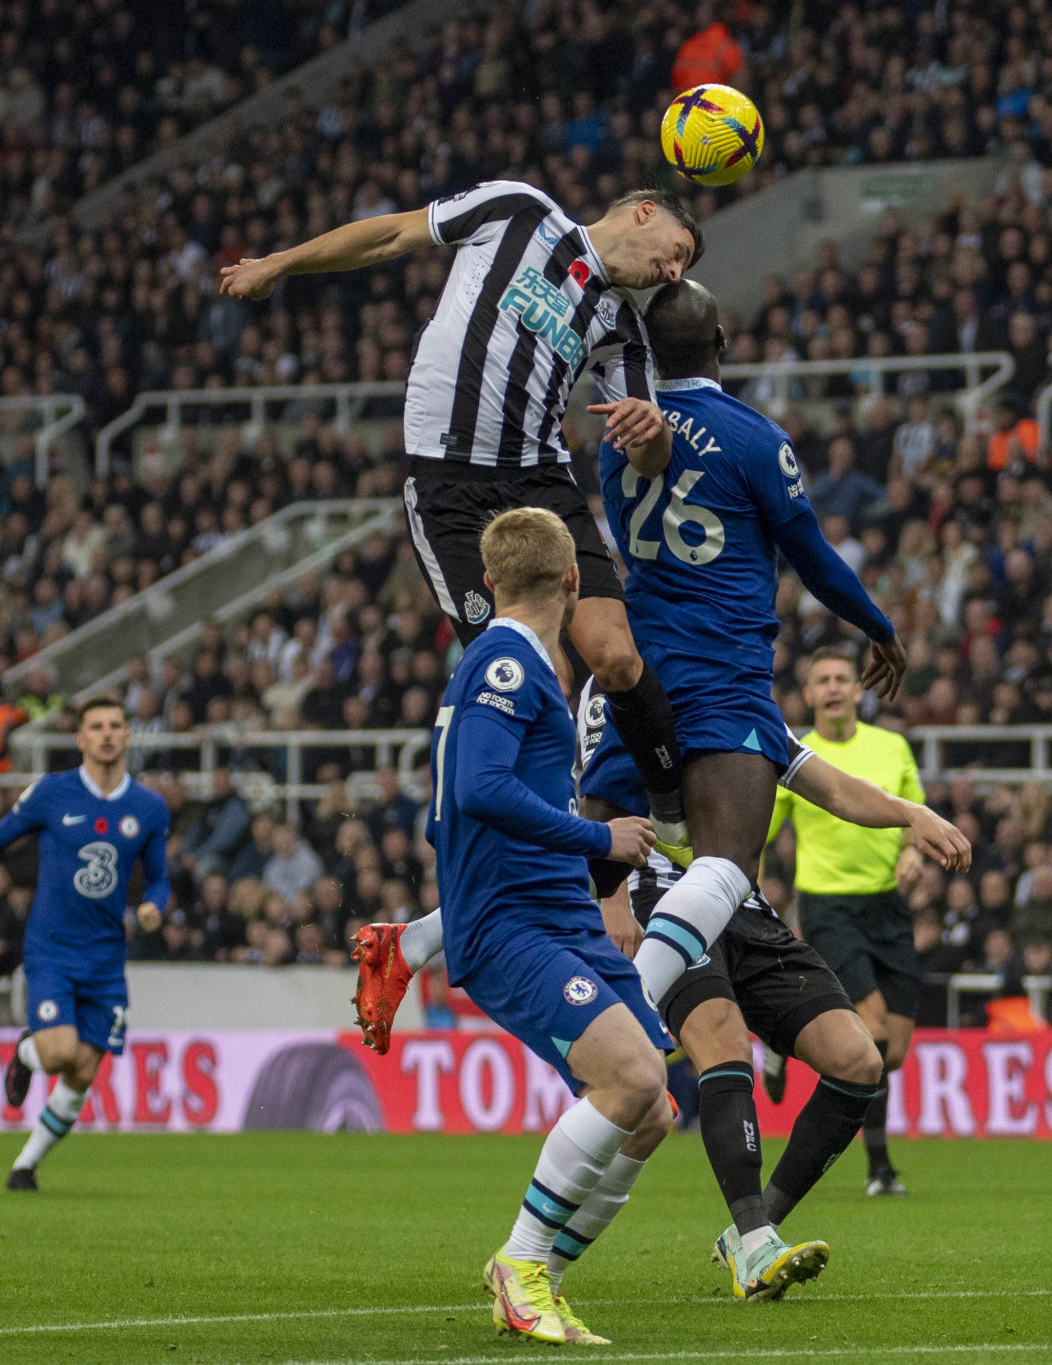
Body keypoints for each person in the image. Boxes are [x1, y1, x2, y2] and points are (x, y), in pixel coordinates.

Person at [349, 279, 908, 1052]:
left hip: (634, 672)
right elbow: (813, 556)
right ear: (723, 344)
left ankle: (415, 941)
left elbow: (658, 459)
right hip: (720, 668)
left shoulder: (620, 435)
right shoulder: (751, 437)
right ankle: (639, 1006)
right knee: (724, 864)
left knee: (580, 842)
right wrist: (877, 625)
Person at [220, 179, 698, 849]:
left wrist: (653, 434)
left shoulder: (621, 324)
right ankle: (562, 849)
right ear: (643, 213)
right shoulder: (518, 210)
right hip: (450, 487)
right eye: (676, 252)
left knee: (616, 657)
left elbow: (651, 458)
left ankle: (675, 824)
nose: (673, 274)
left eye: (682, 269)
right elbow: (390, 233)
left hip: (541, 481)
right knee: (545, 674)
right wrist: (278, 264)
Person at [576, 676, 968, 1299]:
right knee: (725, 1045)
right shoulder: (622, 676)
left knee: (859, 1061)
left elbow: (832, 786)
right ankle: (756, 1238)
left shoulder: (735, 685)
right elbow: (596, 794)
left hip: (741, 902)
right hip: (654, 894)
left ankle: (754, 1234)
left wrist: (911, 813)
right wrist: (611, 897)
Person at [422, 507, 668, 1347]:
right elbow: (478, 789)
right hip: (517, 923)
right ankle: (522, 1263)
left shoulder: (523, 660)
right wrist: (600, 838)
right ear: (574, 579)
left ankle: (540, 1283)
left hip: (557, 912)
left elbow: (450, 814)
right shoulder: (502, 660)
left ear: (488, 583)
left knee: (653, 1108)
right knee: (630, 1076)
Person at [0, 697, 171, 1190]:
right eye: (96, 727)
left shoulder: (148, 808)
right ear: (80, 739)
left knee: (84, 1070)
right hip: (52, 948)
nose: (106, 734)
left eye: (115, 726)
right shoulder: (51, 793)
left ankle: (24, 1166)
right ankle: (26, 1053)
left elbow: (159, 880)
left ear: (127, 736)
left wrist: (154, 905)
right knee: (61, 1053)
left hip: (107, 956)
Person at [765, 645, 930, 1196]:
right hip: (827, 905)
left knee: (896, 1050)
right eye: (823, 681)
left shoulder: (893, 748)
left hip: (887, 906)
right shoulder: (798, 757)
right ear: (808, 694)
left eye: (842, 678)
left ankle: (784, 1038)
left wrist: (913, 850)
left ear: (858, 690)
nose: (834, 688)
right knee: (876, 1032)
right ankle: (880, 1170)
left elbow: (914, 816)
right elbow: (760, 832)